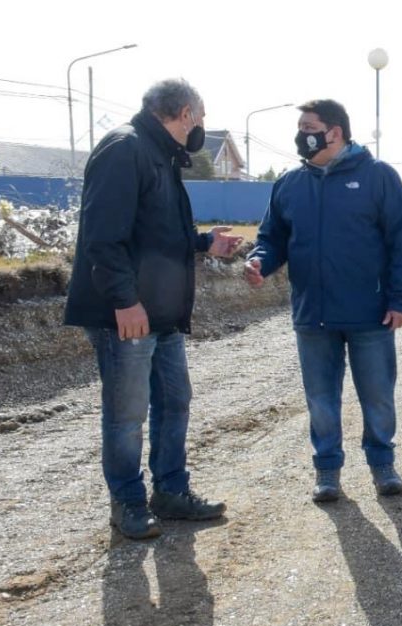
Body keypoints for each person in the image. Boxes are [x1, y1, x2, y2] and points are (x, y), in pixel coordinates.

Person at [64, 78, 240, 540]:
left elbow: (155, 235)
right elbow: (102, 237)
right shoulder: (126, 148)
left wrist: (205, 243)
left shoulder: (160, 154)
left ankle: (171, 493)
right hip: (126, 314)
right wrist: (125, 300)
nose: (200, 128)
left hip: (159, 315)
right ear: (184, 114)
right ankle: (127, 502)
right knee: (127, 413)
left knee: (174, 400)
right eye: (199, 120)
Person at [244, 99, 402, 501]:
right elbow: (272, 239)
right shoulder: (289, 184)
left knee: (377, 395)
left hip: (371, 314)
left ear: (335, 132)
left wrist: (401, 299)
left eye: (308, 125)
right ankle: (327, 472)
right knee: (321, 400)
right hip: (313, 316)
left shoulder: (378, 177)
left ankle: (382, 465)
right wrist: (259, 262)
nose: (300, 133)